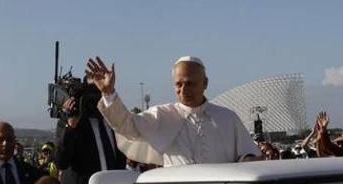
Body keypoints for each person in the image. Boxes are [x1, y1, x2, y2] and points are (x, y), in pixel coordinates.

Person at [86, 55, 258, 166]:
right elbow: (127, 126)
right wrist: (109, 93)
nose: (183, 90)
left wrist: (249, 161)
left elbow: (249, 155)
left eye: (190, 83)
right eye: (178, 84)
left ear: (205, 83)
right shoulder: (162, 115)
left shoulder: (228, 118)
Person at [54, 86, 126, 184]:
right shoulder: (69, 122)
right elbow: (61, 161)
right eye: (89, 99)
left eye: (98, 97)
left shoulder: (112, 122)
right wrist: (71, 124)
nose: (94, 103)